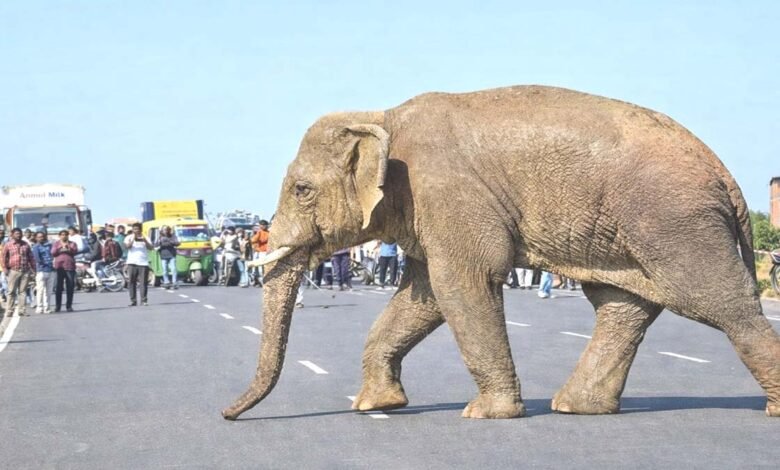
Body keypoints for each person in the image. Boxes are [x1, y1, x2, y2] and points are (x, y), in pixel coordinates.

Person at [2, 228, 37, 317]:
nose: (19, 235)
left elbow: (31, 258)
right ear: (12, 234)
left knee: (23, 292)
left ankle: (22, 310)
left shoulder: (25, 245)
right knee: (11, 292)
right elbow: (3, 258)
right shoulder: (8, 245)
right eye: (17, 233)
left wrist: (34, 269)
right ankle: (9, 311)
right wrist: (5, 269)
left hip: (25, 271)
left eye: (20, 233)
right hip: (13, 271)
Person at [124, 223, 153, 306]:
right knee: (131, 282)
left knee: (143, 282)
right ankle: (133, 300)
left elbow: (151, 248)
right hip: (132, 262)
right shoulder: (129, 237)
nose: (136, 230)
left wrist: (144, 241)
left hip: (143, 263)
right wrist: (133, 239)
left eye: (137, 229)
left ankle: (144, 300)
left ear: (140, 229)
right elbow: (127, 247)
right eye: (134, 229)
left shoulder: (146, 237)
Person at [51, 230, 77, 312]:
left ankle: (69, 306)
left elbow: (74, 251)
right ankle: (57, 306)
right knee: (58, 288)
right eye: (62, 235)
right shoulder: (56, 244)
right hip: (59, 268)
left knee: (70, 287)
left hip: (70, 267)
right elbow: (53, 252)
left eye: (65, 235)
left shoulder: (72, 243)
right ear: (59, 236)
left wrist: (67, 248)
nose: (64, 236)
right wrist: (60, 248)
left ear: (68, 235)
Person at [32, 231, 55, 314]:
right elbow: (37, 259)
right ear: (36, 238)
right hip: (41, 271)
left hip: (51, 270)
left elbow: (53, 255)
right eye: (39, 237)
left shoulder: (49, 246)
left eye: (42, 236)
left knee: (49, 291)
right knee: (40, 290)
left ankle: (47, 307)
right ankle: (39, 307)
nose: (41, 238)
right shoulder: (36, 247)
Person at [250, 220, 270, 286]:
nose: (262, 226)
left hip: (266, 252)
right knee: (259, 268)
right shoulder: (259, 232)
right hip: (260, 252)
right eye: (261, 225)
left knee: (265, 267)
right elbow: (253, 240)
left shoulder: (268, 232)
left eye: (264, 225)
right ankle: (260, 281)